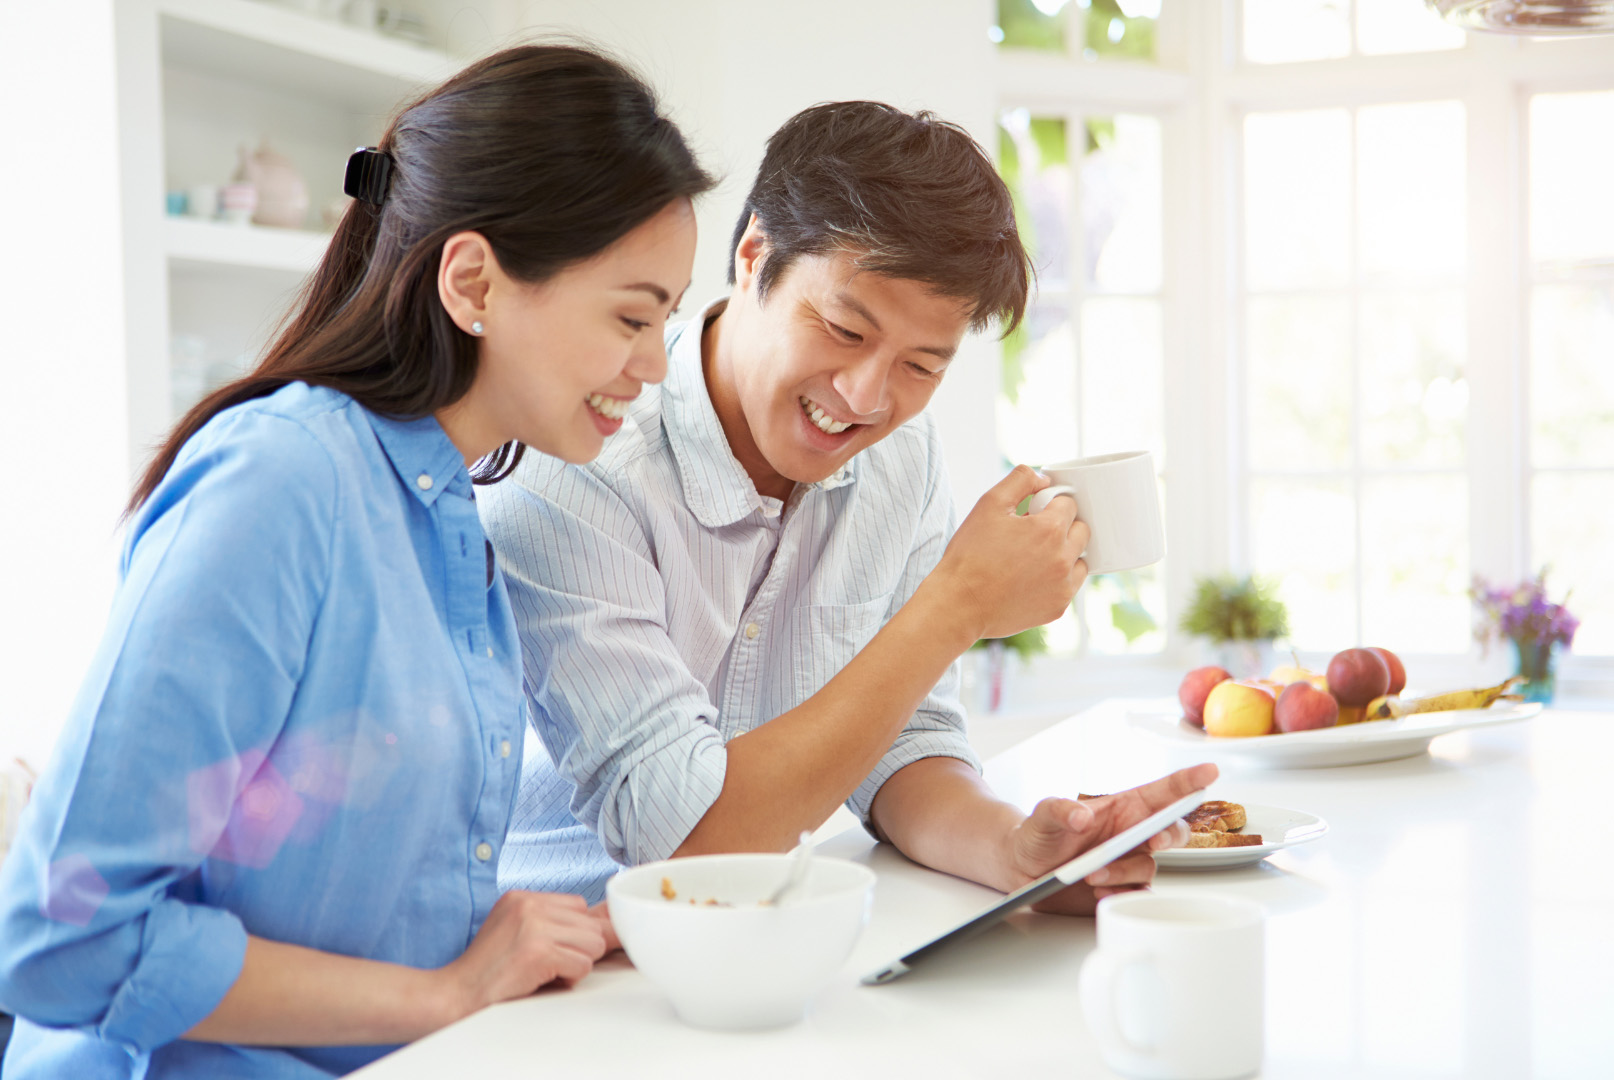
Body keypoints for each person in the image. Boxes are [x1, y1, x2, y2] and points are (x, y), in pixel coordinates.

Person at [0, 45, 712, 1079]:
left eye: (668, 322)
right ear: (473, 280)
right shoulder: (282, 486)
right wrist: (446, 992)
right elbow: (64, 939)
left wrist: (528, 944)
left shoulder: (449, 514)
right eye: (632, 317)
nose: (653, 366)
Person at [485, 101, 1214, 913]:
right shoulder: (579, 463)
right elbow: (684, 844)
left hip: (780, 932)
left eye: (922, 364)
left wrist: (1018, 853)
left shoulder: (902, 459)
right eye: (842, 328)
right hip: (567, 969)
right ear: (754, 257)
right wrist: (956, 604)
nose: (867, 397)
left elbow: (905, 743)